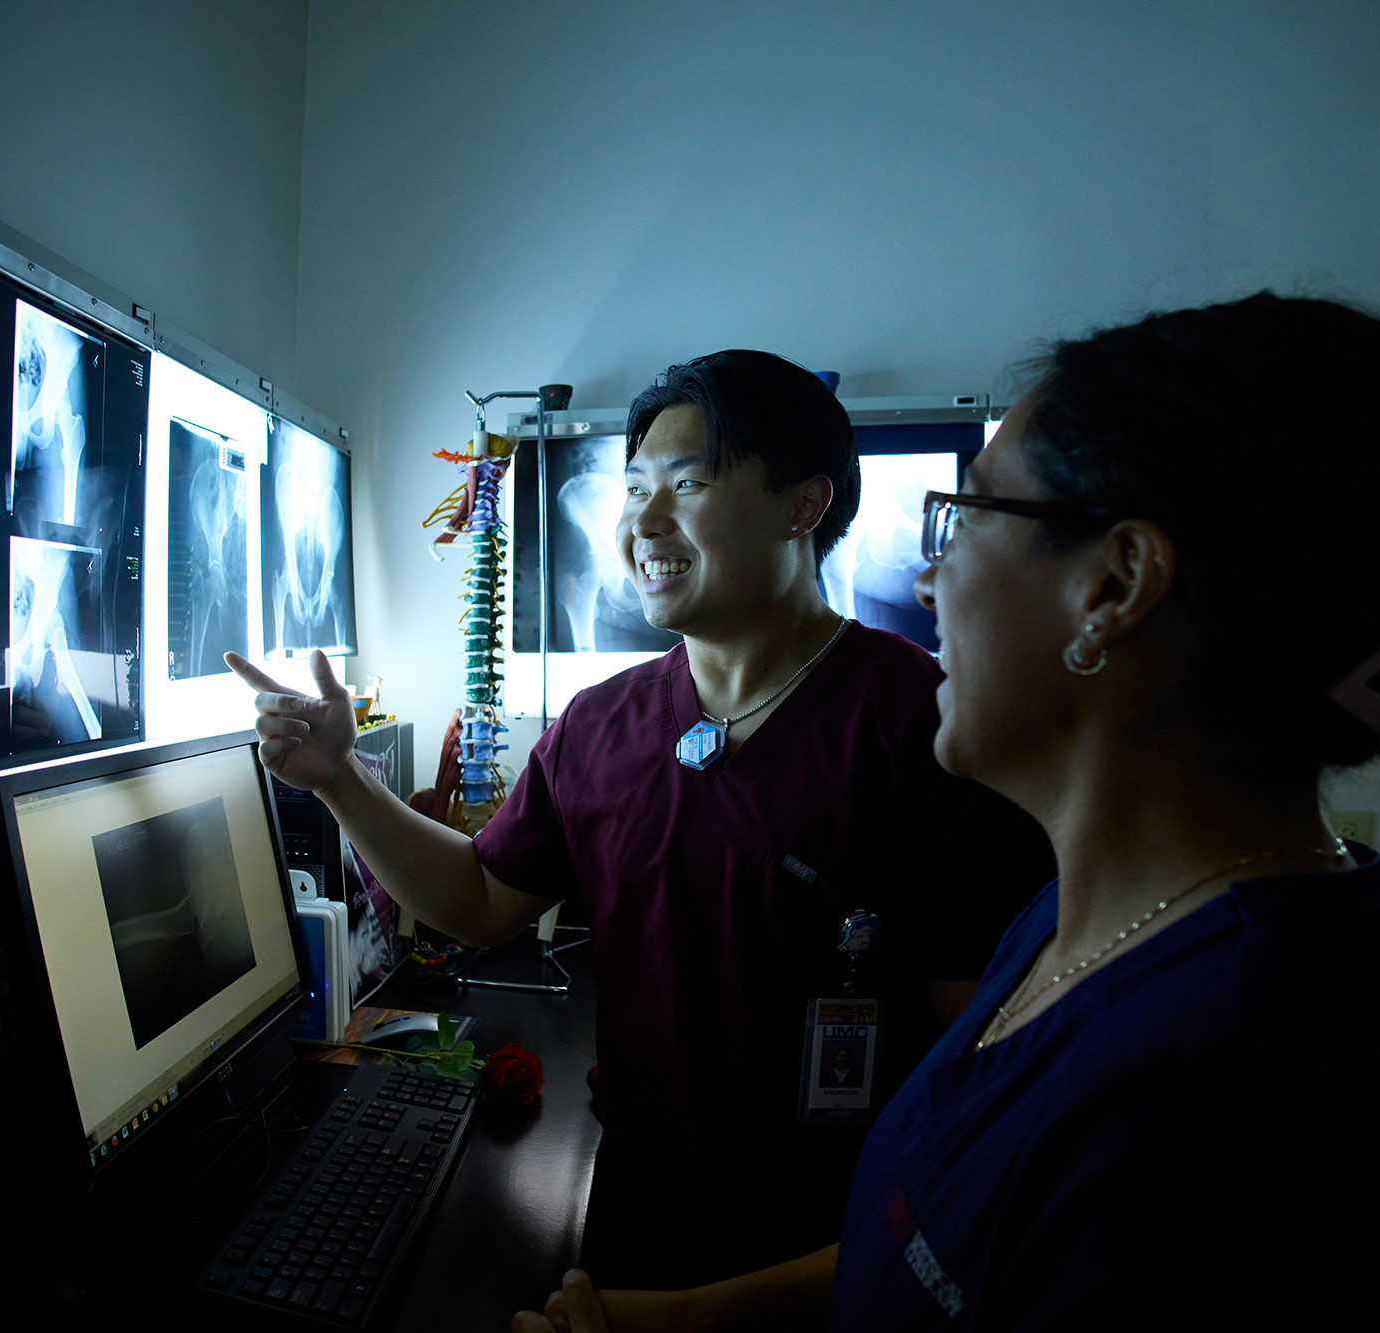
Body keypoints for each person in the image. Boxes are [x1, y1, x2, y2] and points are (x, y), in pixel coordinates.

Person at [513, 294, 1380, 1331]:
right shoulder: (1082, 926)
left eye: (965, 519)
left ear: (1113, 585)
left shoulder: (1241, 1076)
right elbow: (936, 1243)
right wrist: (687, 1317)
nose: (930, 579)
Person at [226, 350, 1054, 1291]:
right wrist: (339, 782)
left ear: (803, 505)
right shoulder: (600, 726)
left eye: (686, 484)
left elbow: (985, 1062)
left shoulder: (925, 723)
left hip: (839, 1250)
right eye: (632, 490)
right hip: (633, 1221)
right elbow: (480, 899)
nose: (642, 522)